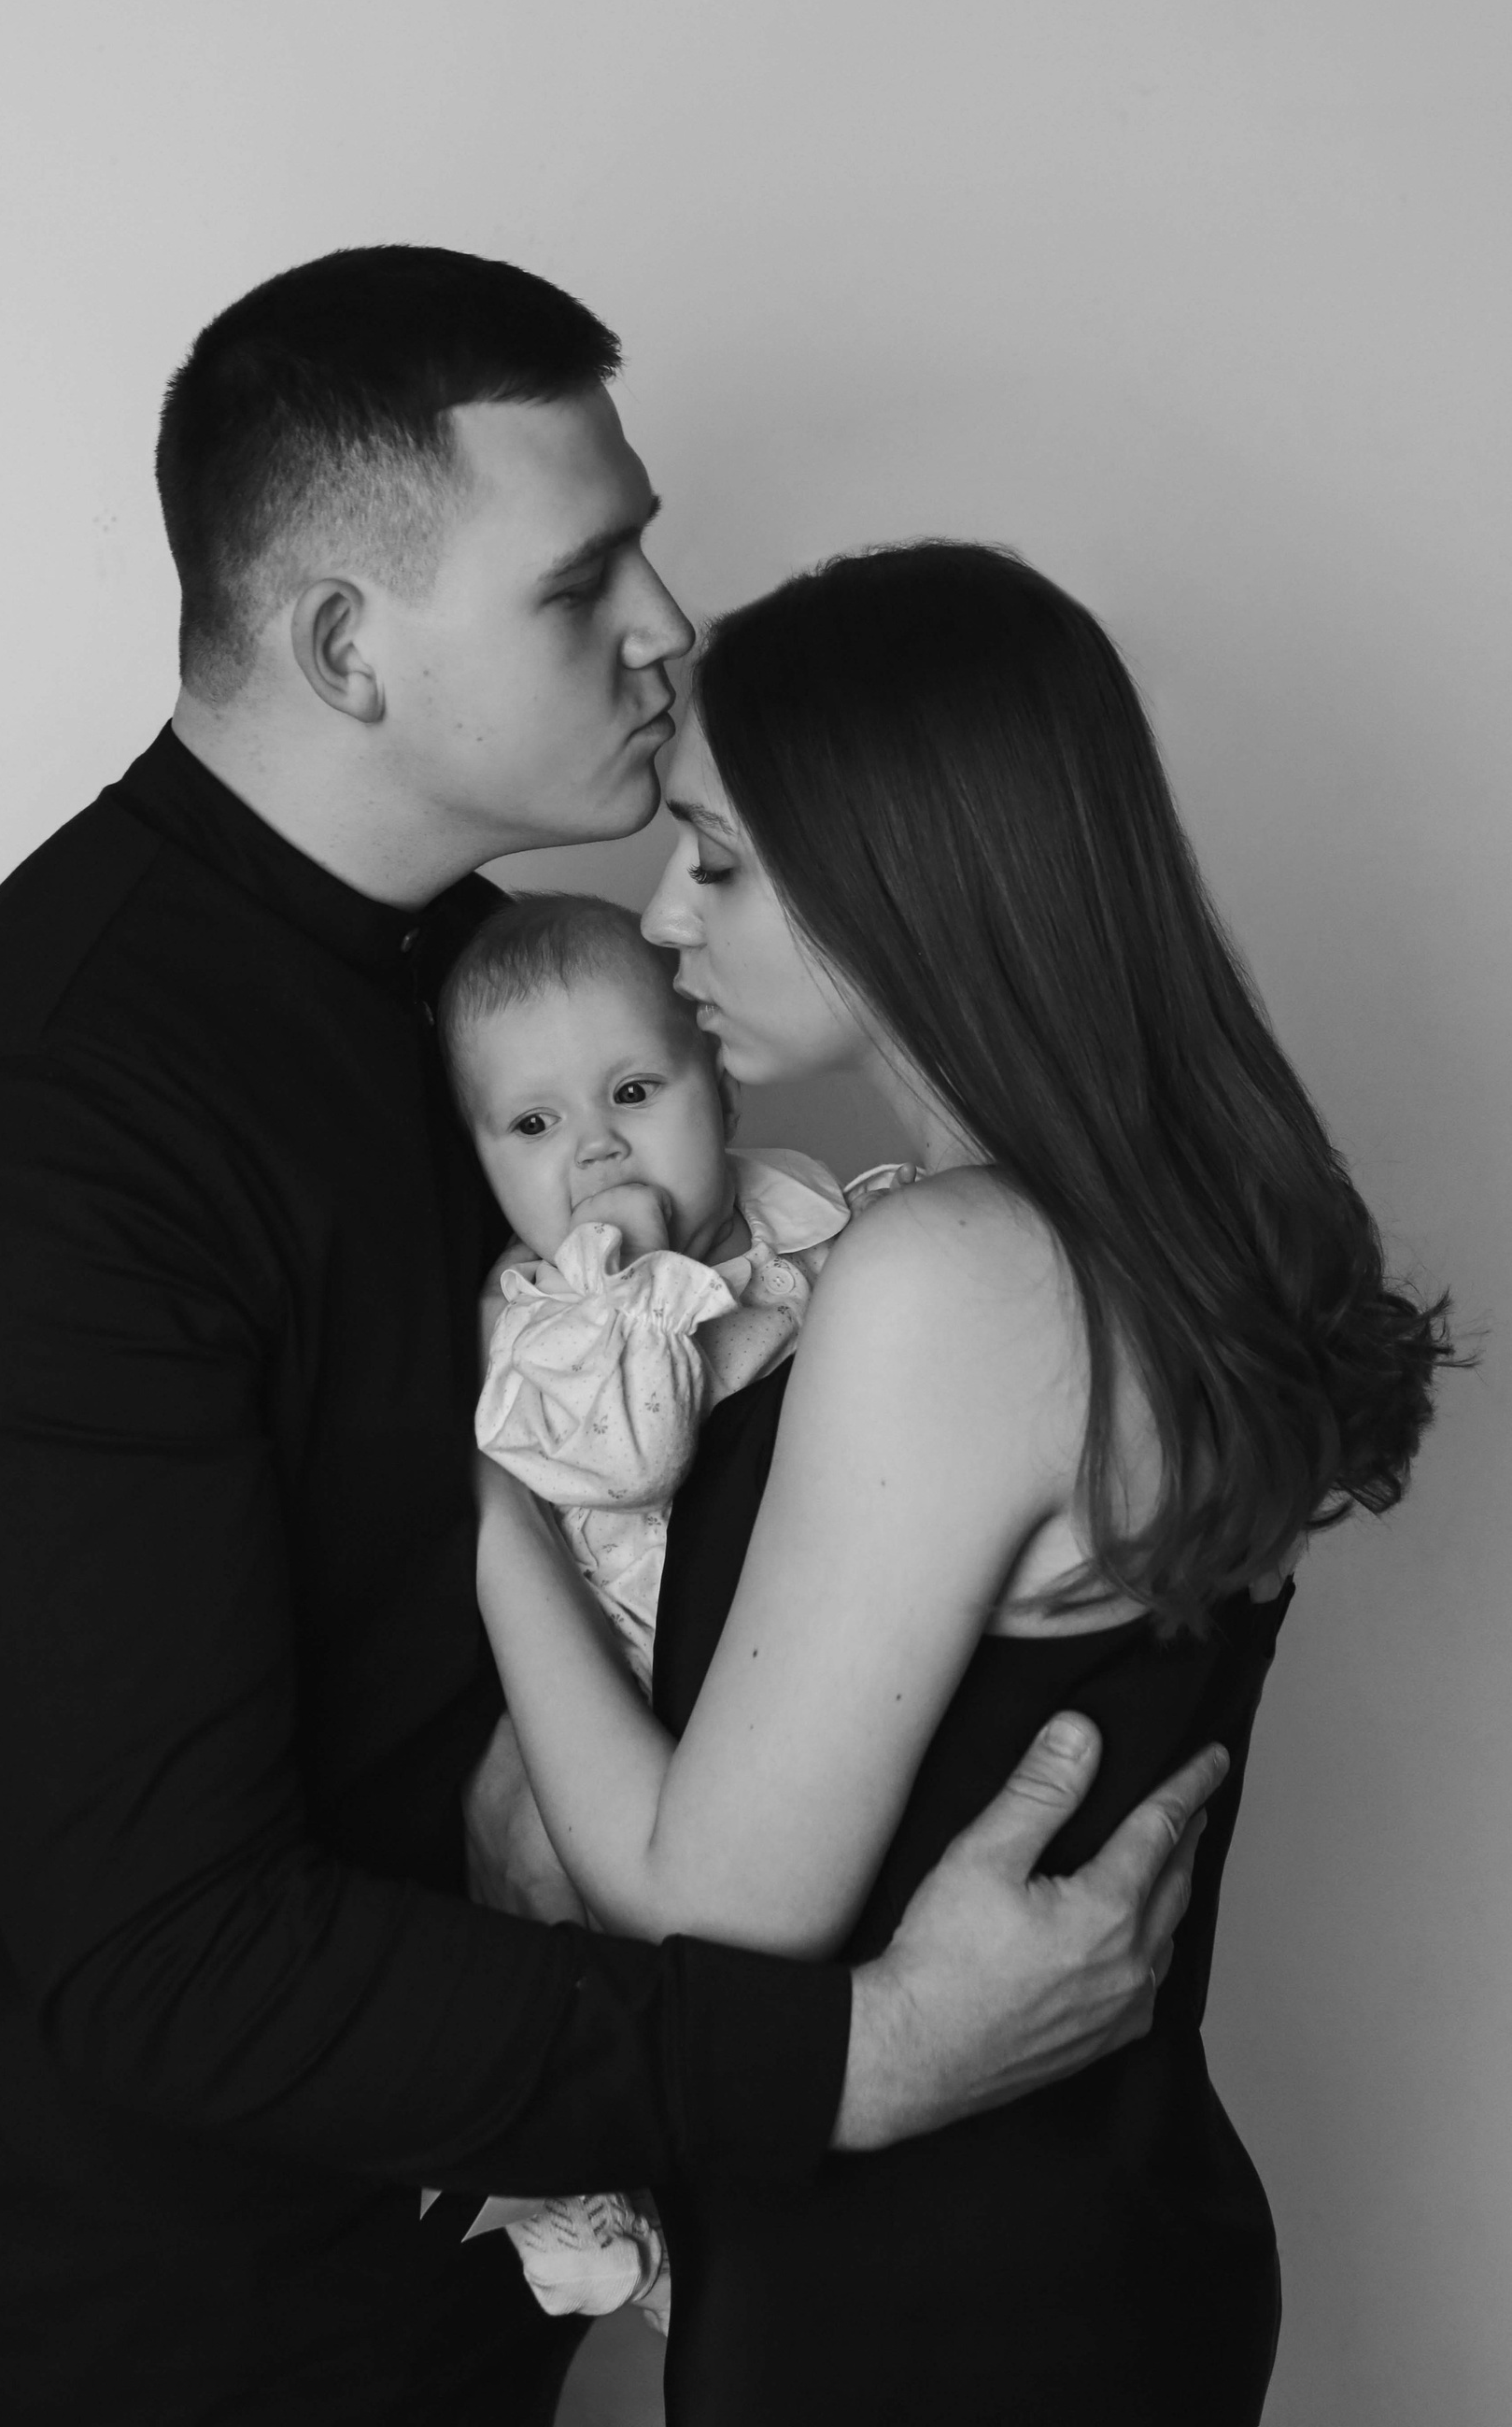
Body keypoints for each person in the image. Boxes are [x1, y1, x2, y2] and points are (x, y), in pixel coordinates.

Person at [0, 249, 1224, 2427]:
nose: (667, 624)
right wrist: (862, 2056)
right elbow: (172, 1965)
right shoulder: (13, 1159)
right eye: (582, 576)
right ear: (349, 647)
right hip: (113, 2357)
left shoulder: (525, 1010)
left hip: (471, 2296)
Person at [473, 540, 1458, 2424]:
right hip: (1108, 2249)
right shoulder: (1159, 1234)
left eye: (718, 859)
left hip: (919, 2308)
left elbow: (706, 1910)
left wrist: (495, 1509)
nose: (664, 920)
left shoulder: (954, 1273)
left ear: (898, 871)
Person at [442, 889, 910, 2325]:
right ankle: (587, 2193)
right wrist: (635, 1277)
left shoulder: (796, 1214)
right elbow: (633, 1453)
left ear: (721, 1081)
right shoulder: (545, 1315)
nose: (593, 1150)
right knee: (555, 1923)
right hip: (609, 1693)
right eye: (532, 1125)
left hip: (753, 1685)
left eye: (634, 1092)